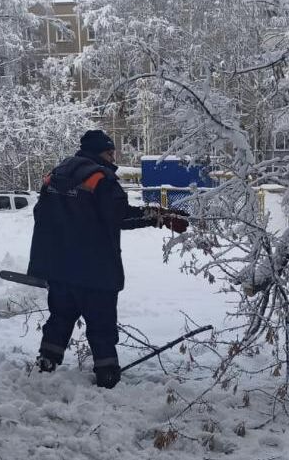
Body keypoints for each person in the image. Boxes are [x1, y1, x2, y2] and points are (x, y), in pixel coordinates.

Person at [27, 130, 188, 388]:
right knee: (101, 325)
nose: (113, 156)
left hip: (58, 268)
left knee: (60, 316)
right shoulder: (100, 178)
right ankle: (107, 375)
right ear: (98, 152)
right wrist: (160, 216)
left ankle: (46, 362)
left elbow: (41, 215)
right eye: (109, 151)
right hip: (94, 269)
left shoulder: (57, 174)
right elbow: (120, 215)